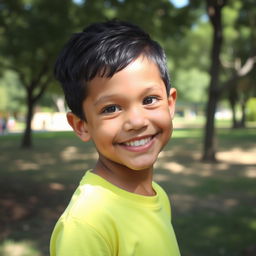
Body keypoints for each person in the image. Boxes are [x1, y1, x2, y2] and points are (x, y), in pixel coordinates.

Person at [50, 20, 180, 256]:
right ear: (81, 126)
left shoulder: (157, 194)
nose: (137, 121)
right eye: (111, 109)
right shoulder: (86, 224)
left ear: (170, 104)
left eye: (149, 100)